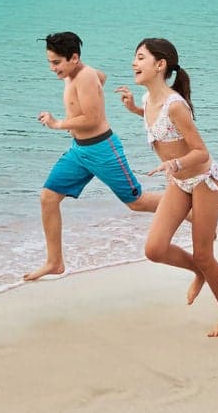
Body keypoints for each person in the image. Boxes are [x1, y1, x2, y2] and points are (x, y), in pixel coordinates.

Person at [116, 37, 218, 337]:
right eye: (135, 57)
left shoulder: (175, 106)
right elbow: (159, 124)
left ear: (160, 65)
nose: (134, 63)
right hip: (179, 181)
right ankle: (198, 271)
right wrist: (135, 109)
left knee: (204, 253)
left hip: (204, 181)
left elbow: (202, 152)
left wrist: (174, 164)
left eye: (141, 57)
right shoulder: (149, 100)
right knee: (155, 249)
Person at [27, 31, 158, 281]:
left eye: (57, 62)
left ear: (74, 58)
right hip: (79, 151)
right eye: (50, 62)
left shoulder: (84, 76)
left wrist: (57, 123)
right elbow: (102, 77)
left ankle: (188, 209)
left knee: (137, 202)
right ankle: (55, 262)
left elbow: (92, 119)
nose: (53, 68)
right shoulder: (75, 73)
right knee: (48, 197)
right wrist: (91, 92)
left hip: (102, 149)